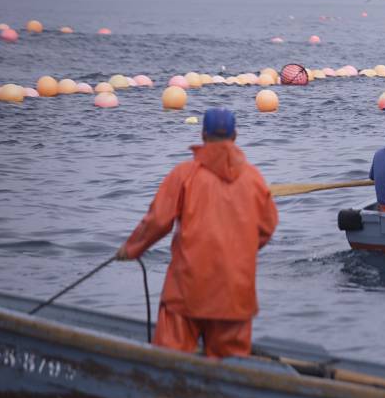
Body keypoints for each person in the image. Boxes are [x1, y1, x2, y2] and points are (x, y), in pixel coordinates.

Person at [116, 108, 278, 359]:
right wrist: (238, 250)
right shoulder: (254, 178)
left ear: (203, 135)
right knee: (231, 365)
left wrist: (131, 249)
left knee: (170, 360)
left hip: (187, 290)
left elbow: (158, 220)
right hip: (235, 293)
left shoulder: (184, 174)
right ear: (235, 136)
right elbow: (267, 227)